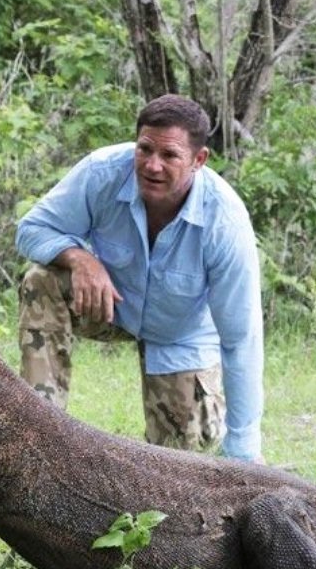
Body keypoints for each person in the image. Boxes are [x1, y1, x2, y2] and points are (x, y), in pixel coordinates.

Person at [15, 94, 264, 462]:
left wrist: (244, 451)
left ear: (198, 160)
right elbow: (30, 229)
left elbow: (241, 339)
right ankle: (38, 439)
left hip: (179, 336)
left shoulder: (225, 221)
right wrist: (80, 258)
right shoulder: (101, 172)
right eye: (144, 149)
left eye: (169, 155)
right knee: (42, 280)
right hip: (112, 303)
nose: (152, 165)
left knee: (182, 467)